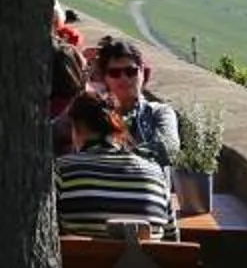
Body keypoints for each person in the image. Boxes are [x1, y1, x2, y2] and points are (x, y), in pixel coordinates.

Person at [54, 91, 176, 235]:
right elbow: (172, 237)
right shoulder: (155, 173)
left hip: (82, 257)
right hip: (149, 257)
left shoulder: (62, 170)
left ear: (78, 127)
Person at [94, 37, 181, 168]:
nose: (124, 78)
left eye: (131, 71)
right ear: (104, 77)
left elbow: (167, 149)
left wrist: (112, 157)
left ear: (142, 72)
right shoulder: (93, 112)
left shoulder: (159, 113)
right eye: (115, 73)